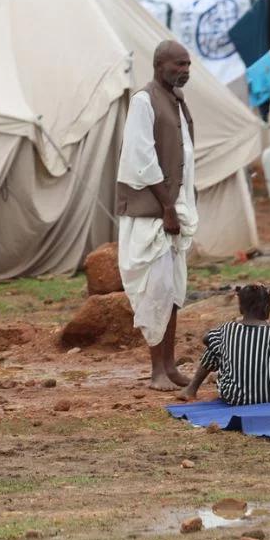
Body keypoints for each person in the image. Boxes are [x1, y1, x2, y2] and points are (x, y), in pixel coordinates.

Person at [116, 40, 198, 392]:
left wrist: (178, 208)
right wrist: (166, 206)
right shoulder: (143, 101)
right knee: (155, 291)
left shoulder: (177, 101)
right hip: (153, 215)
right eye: (179, 64)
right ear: (159, 64)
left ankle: (170, 365)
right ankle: (156, 371)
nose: (185, 70)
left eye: (188, 65)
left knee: (173, 292)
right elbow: (141, 158)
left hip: (174, 213)